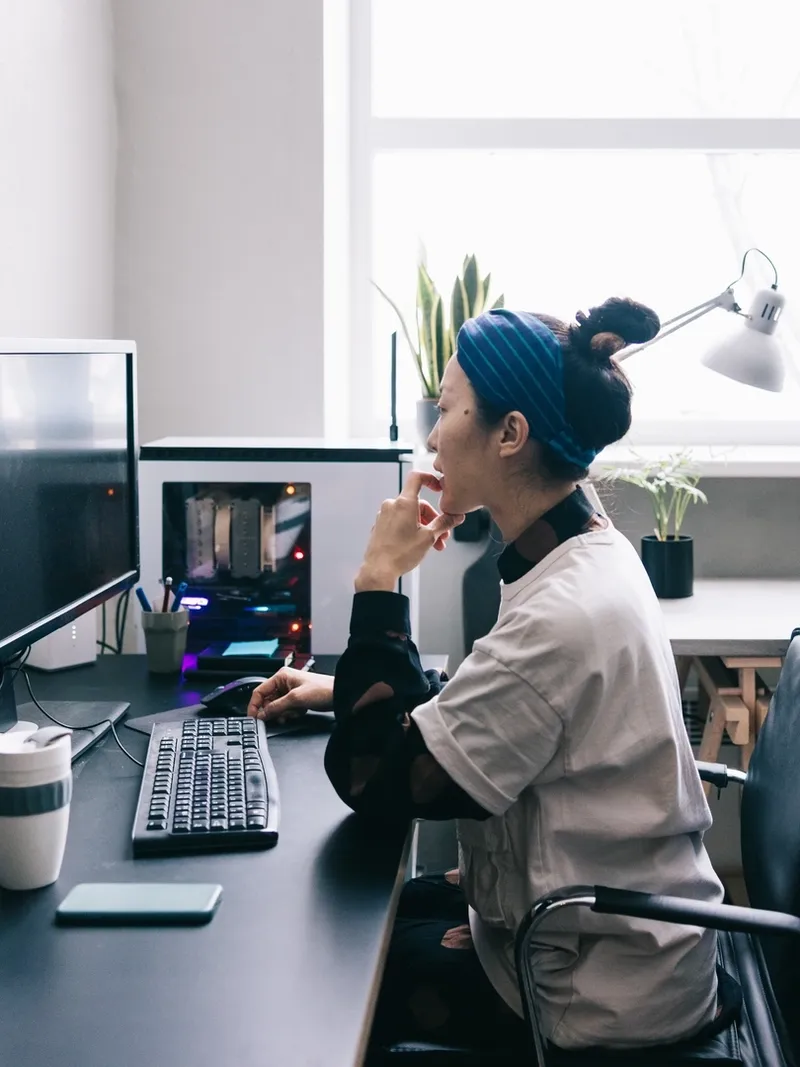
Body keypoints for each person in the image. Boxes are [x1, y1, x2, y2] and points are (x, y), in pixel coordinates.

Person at [247, 298, 735, 1057]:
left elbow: (373, 778)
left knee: (328, 982)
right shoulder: (580, 541)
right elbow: (511, 706)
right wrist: (331, 688)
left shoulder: (563, 612)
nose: (434, 435)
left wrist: (378, 578)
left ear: (510, 434)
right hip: (615, 934)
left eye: (446, 410)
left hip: (597, 992)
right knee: (364, 918)